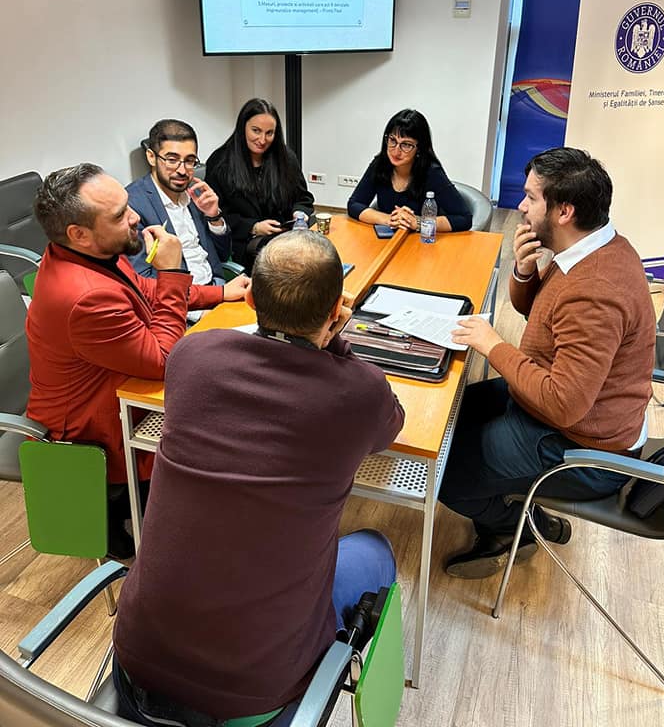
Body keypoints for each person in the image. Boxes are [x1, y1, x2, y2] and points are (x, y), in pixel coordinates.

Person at [112, 231, 405, 727]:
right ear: (336, 310)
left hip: (138, 660)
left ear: (249, 298)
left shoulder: (191, 356)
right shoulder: (359, 393)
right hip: (256, 695)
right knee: (376, 548)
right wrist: (335, 340)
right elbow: (388, 428)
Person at [438, 147, 656, 579]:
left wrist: (494, 346)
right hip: (554, 404)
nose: (521, 206)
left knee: (443, 471)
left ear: (564, 211)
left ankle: (516, 528)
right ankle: (518, 508)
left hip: (583, 446)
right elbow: (541, 315)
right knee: (450, 416)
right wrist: (524, 271)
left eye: (531, 198)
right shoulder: (592, 247)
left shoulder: (595, 291)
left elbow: (564, 404)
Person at [26, 164, 250, 556]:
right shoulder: (84, 297)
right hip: (90, 431)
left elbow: (142, 289)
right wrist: (173, 270)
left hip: (116, 387)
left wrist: (219, 294)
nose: (135, 218)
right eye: (119, 215)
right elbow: (163, 359)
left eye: (128, 206)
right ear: (79, 233)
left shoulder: (90, 252)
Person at [205, 98, 314, 269]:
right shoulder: (220, 162)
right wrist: (253, 227)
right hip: (244, 242)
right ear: (243, 127)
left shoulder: (286, 158)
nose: (262, 140)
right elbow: (216, 214)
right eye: (256, 131)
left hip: (285, 235)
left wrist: (299, 213)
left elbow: (303, 198)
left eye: (269, 133)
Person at [126, 119, 231, 285]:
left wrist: (214, 217)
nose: (182, 171)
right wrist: (207, 295)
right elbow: (144, 279)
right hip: (183, 295)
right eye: (172, 160)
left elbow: (223, 255)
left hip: (216, 283)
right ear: (151, 157)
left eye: (189, 161)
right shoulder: (134, 205)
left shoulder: (197, 193)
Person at [347, 108, 472, 232]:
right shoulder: (380, 164)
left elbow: (464, 219)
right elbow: (354, 204)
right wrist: (389, 219)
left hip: (422, 240)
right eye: (392, 140)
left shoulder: (432, 172)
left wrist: (417, 222)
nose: (396, 151)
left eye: (406, 145)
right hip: (389, 239)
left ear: (419, 148)